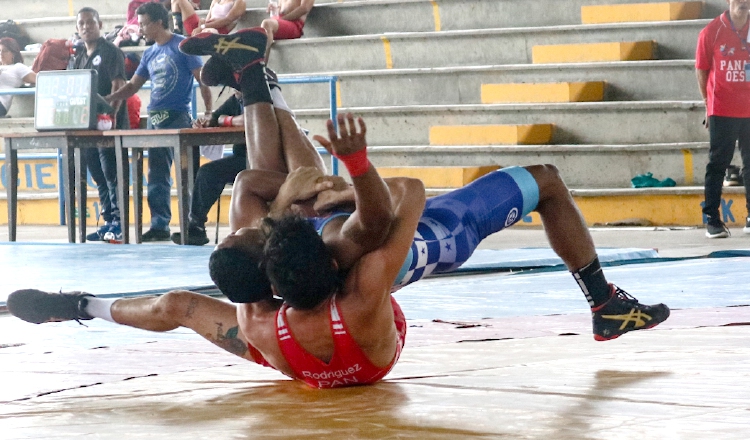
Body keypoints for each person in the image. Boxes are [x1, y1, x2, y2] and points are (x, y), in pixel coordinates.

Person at [105, 1, 213, 242]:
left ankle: (190, 223)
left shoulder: (182, 46)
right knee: (156, 175)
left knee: (186, 175)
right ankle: (159, 224)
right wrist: (110, 99)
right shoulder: (150, 52)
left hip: (178, 117)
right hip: (155, 118)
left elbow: (202, 79)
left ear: (158, 22)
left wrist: (209, 110)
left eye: (143, 24)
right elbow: (133, 85)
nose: (140, 29)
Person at [71, 7, 130, 242]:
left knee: (112, 173)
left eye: (90, 22)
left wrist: (111, 117)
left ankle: (120, 223)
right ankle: (108, 221)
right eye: (81, 24)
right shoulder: (78, 58)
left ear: (100, 24)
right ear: (77, 28)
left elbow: (118, 86)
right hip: (87, 127)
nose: (86, 27)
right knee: (97, 174)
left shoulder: (111, 52)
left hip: (108, 126)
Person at [695, 0, 750, 238]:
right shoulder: (711, 31)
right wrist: (708, 105)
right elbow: (701, 68)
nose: (743, 2)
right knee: (718, 164)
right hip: (722, 108)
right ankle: (712, 220)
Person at [0, 37, 36, 117]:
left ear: (13, 53)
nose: (1, 54)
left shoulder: (18, 67)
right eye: (0, 51)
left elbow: (38, 79)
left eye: (5, 51)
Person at [171, 0, 246, 36]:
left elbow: (227, 20)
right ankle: (177, 33)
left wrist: (204, 26)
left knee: (208, 31)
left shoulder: (239, 2)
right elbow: (208, 19)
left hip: (217, 32)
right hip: (203, 28)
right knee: (178, 1)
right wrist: (203, 22)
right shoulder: (216, 0)